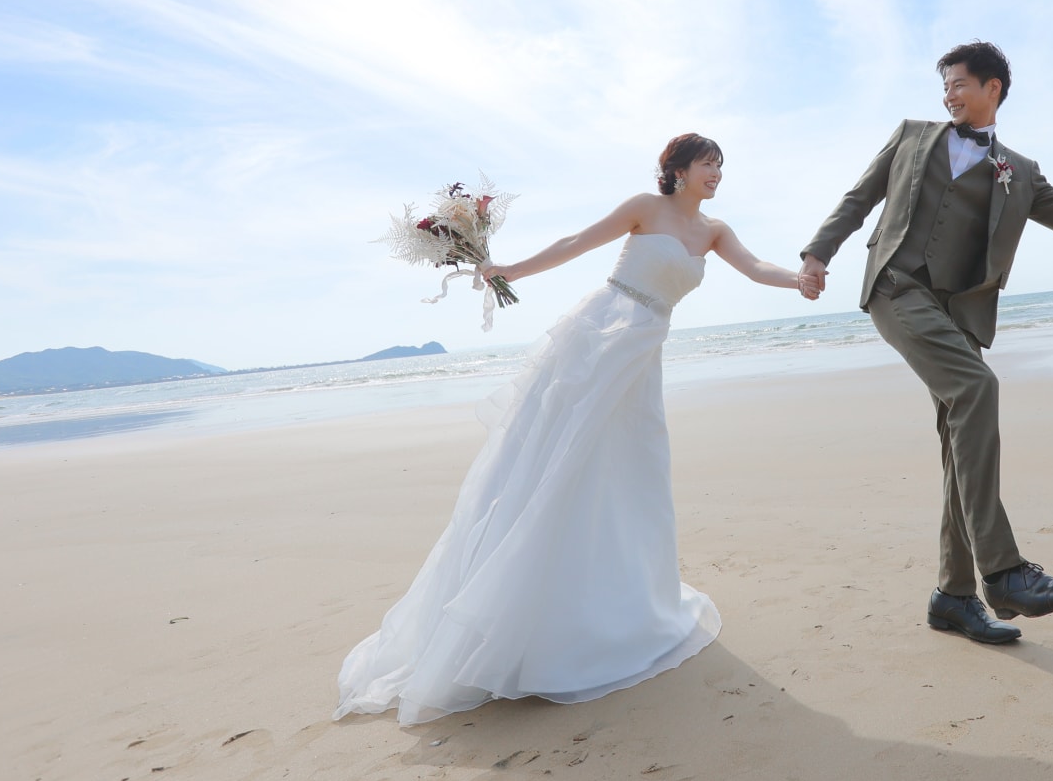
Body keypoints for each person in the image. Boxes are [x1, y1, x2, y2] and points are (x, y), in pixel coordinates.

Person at [336, 134, 807, 724]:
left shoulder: (714, 231)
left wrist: (799, 280)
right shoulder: (645, 207)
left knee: (632, 475)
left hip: (641, 356)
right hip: (600, 338)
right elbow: (575, 243)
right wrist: (511, 269)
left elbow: (756, 267)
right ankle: (527, 619)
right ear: (678, 170)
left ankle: (619, 604)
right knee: (562, 465)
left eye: (720, 164)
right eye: (706, 163)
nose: (716, 172)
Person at [799, 42, 1053, 645]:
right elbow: (859, 199)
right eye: (945, 87)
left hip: (959, 315)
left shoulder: (1020, 172)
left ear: (993, 89)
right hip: (897, 288)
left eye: (959, 84)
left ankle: (952, 597)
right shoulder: (910, 136)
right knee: (978, 387)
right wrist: (817, 254)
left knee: (960, 451)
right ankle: (1004, 573)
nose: (949, 96)